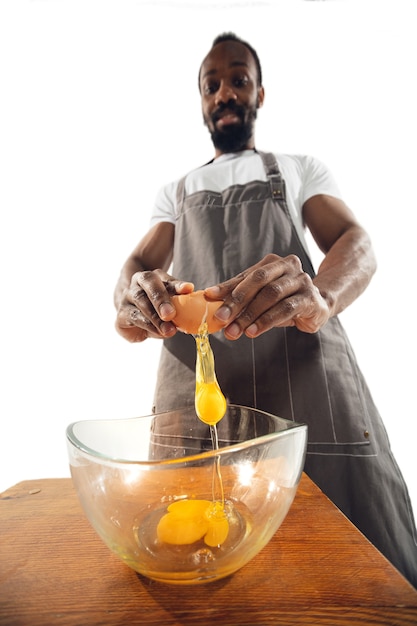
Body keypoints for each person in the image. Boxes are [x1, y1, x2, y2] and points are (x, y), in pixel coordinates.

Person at [114, 32, 417, 586]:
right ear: (202, 100)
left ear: (259, 93)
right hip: (196, 379)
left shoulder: (299, 169)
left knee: (355, 562)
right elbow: (137, 261)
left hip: (304, 371)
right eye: (212, 85)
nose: (225, 92)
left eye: (239, 80)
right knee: (187, 547)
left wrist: (322, 296)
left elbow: (355, 240)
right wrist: (132, 298)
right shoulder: (175, 191)